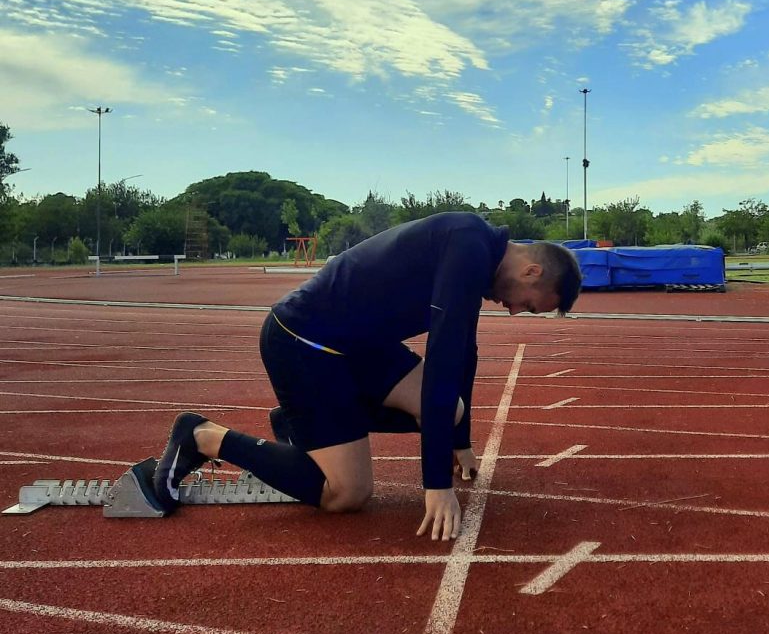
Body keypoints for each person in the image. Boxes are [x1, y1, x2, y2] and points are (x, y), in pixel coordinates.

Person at [151, 212, 582, 541]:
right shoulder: (469, 247)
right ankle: (201, 435)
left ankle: (298, 423)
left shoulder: (477, 248)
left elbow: (463, 351)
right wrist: (435, 485)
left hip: (358, 348)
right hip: (304, 341)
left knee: (447, 411)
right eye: (528, 304)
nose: (512, 310)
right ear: (532, 271)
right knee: (347, 494)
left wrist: (460, 441)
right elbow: (443, 362)